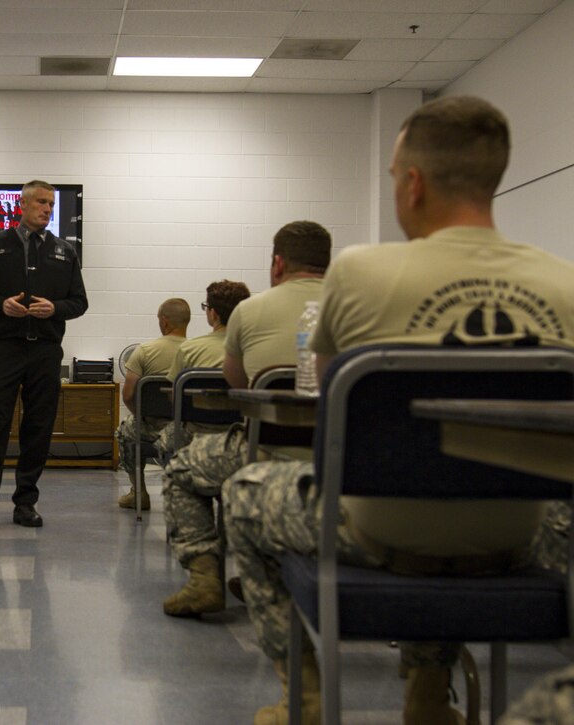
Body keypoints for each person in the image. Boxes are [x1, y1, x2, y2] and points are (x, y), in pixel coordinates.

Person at [222, 96, 574, 725]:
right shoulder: (565, 286)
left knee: (246, 491)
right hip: (518, 537)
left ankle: (303, 701)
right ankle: (428, 698)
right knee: (452, 476)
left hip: (377, 532)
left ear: (412, 184)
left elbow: (332, 401)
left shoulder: (358, 271)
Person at [161, 222, 329, 618]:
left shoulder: (250, 311)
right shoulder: (360, 305)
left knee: (179, 471)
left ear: (277, 263)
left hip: (267, 453)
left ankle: (205, 581)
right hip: (343, 456)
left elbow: (237, 385)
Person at [0, 179, 89, 531]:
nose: (48, 209)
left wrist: (56, 308)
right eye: (41, 203)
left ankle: (25, 504)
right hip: (5, 351)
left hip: (46, 353)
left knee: (38, 429)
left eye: (51, 204)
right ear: (23, 206)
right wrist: (1, 305)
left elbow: (80, 302)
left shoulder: (64, 251)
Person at [155, 279, 251, 460]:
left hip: (195, 432)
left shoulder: (189, 349)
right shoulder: (253, 348)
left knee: (163, 443)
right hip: (243, 431)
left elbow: (175, 398)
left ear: (213, 313)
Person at [114, 298, 190, 510]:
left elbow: (128, 394)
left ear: (164, 322)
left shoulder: (144, 351)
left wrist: (142, 416)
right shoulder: (196, 351)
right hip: (185, 429)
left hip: (150, 427)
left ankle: (139, 493)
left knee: (124, 430)